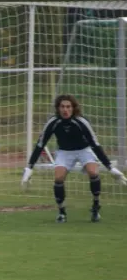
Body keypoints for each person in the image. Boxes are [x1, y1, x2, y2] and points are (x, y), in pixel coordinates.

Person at [21, 94, 127, 223]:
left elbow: (95, 144)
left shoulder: (81, 121)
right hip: (65, 152)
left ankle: (95, 206)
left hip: (84, 150)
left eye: (68, 107)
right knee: (58, 178)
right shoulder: (53, 122)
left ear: (73, 108)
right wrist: (29, 167)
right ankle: (61, 212)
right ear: (58, 108)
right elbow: (40, 144)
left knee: (93, 172)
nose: (65, 110)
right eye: (62, 107)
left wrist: (110, 168)